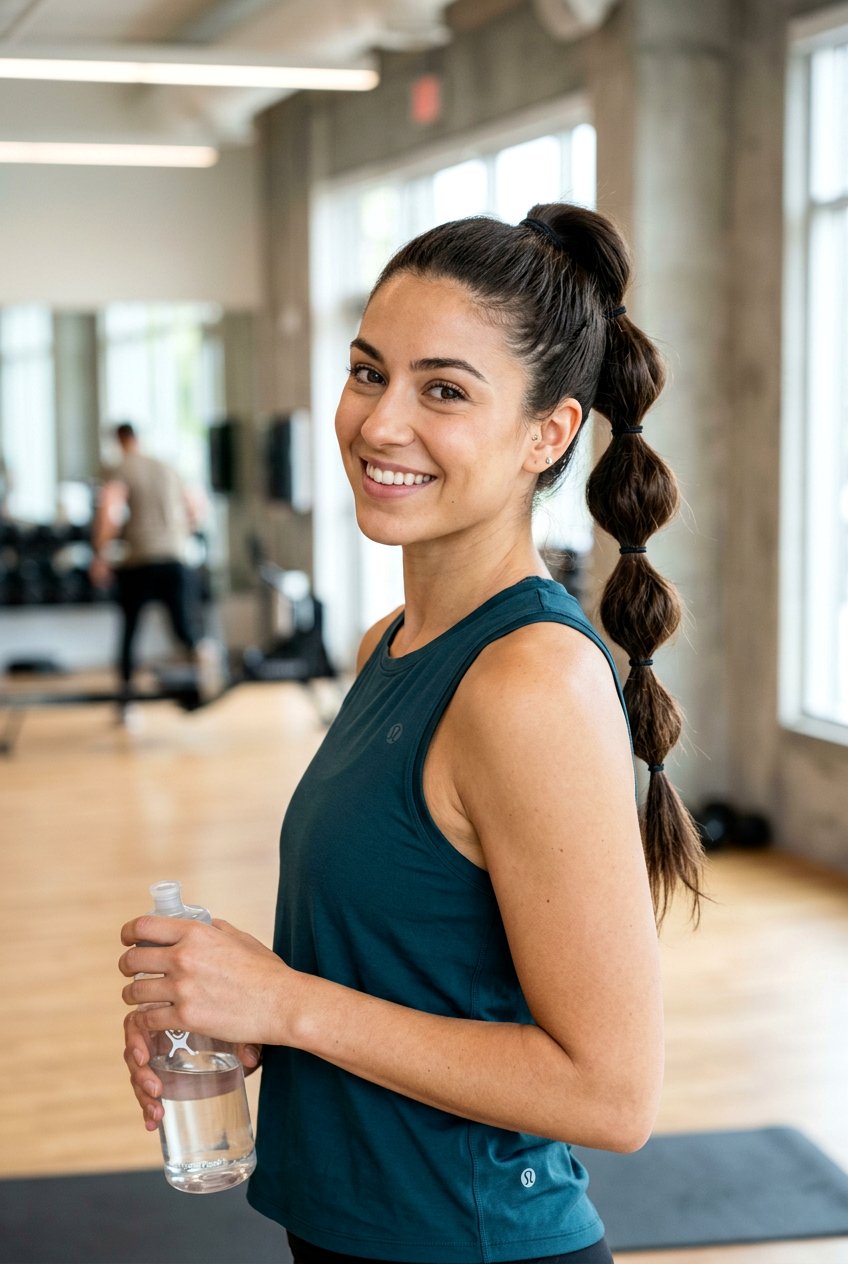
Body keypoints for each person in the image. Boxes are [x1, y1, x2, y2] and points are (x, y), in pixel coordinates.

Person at [119, 204, 705, 1264]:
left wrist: (290, 1003)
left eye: (443, 389)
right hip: (349, 1233)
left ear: (548, 432)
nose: (379, 422)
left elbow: (610, 1093)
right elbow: (404, 977)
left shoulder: (529, 681)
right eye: (366, 371)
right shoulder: (387, 642)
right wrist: (246, 1014)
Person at [91, 422, 221, 720]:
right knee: (184, 630)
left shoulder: (121, 466)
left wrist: (100, 553)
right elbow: (195, 508)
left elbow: (109, 509)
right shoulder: (167, 467)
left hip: (141, 560)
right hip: (175, 558)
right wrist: (181, 535)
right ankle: (206, 664)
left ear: (120, 440)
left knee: (130, 630)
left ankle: (126, 704)